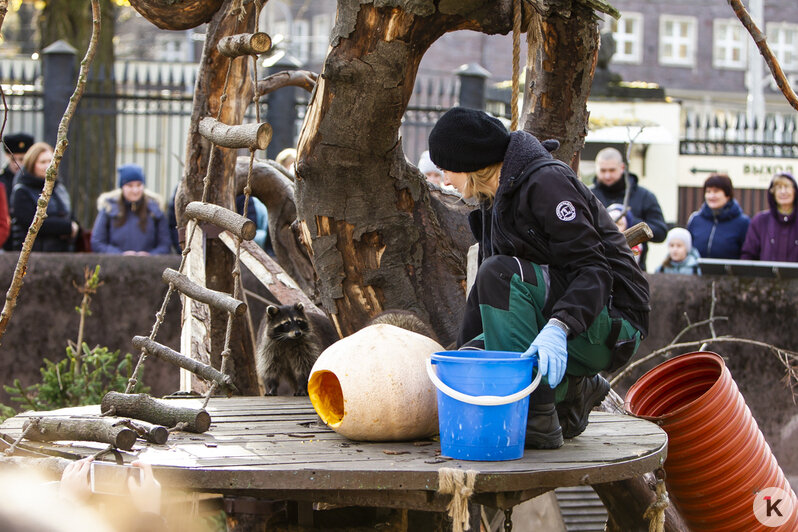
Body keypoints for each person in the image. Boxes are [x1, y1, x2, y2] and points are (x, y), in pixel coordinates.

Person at [428, 107, 650, 449]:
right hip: (567, 320)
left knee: (500, 272)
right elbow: (486, 299)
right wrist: (463, 358)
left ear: (471, 165)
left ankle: (536, 416)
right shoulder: (495, 200)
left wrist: (559, 328)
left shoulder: (546, 182)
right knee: (482, 351)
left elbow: (594, 268)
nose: (444, 180)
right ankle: (571, 390)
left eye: (447, 170)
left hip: (611, 323)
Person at [590, 147, 667, 271]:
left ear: (622, 168)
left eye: (612, 170)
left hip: (635, 271)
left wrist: (630, 221)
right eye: (603, 170)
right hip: (596, 269)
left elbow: (661, 232)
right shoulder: (588, 195)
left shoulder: (645, 196)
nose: (607, 175)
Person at [10, 141, 78, 251]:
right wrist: (67, 227)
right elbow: (32, 223)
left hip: (62, 252)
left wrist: (74, 226)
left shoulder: (60, 189)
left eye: (50, 161)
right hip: (33, 254)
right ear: (32, 164)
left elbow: (69, 215)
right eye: (42, 162)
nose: (48, 166)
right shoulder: (22, 191)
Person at [91, 164, 172, 255]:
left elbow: (165, 245)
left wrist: (150, 256)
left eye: (139, 185)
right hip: (114, 266)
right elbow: (97, 242)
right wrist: (119, 255)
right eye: (130, 186)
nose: (135, 190)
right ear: (122, 187)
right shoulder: (109, 208)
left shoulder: (155, 210)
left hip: (149, 267)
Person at [687, 174, 750, 260]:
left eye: (716, 191)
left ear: (727, 195)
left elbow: (747, 254)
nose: (711, 196)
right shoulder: (695, 220)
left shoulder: (743, 223)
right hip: (697, 272)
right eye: (708, 191)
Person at [740, 172, 798, 262]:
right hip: (765, 276)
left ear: (795, 191)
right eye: (778, 188)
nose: (783, 192)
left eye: (786, 187)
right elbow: (748, 255)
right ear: (773, 193)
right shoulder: (760, 221)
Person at [1, 132, 33, 205]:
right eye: (13, 159)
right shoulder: (2, 180)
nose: (17, 164)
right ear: (7, 156)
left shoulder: (35, 179)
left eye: (22, 159)